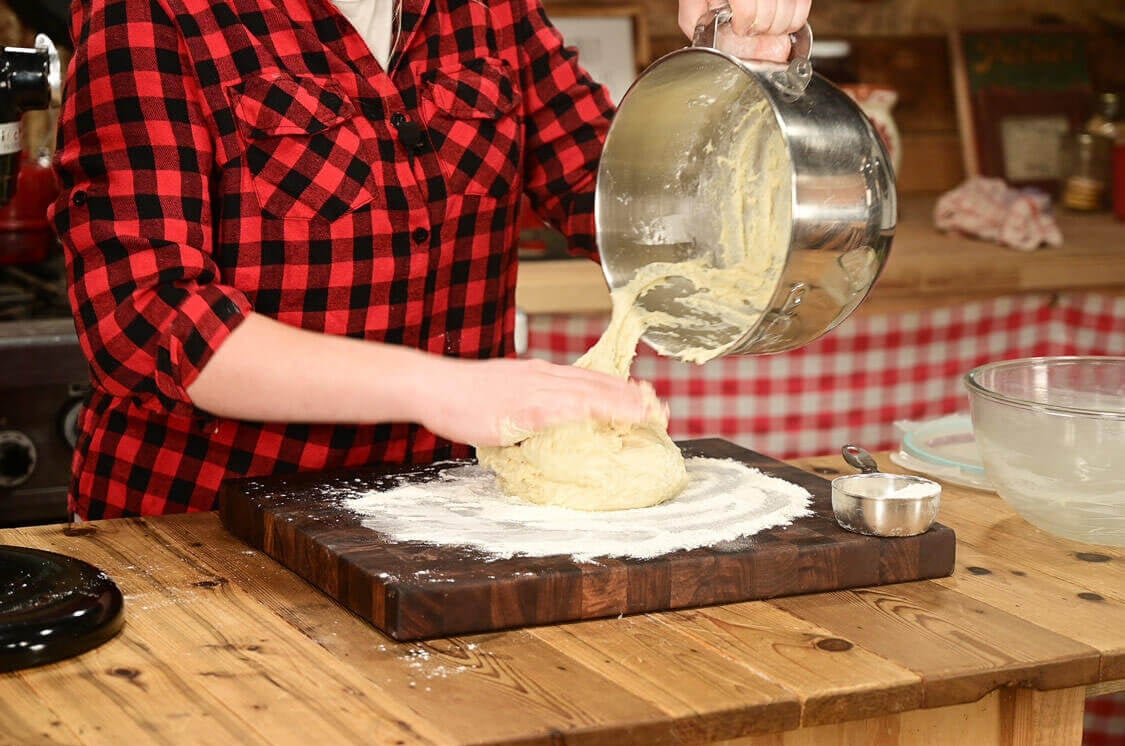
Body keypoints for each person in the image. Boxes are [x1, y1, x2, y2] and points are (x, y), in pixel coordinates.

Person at [50, 0, 812, 519]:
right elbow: (146, 318)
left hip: (448, 515)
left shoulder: (483, 9)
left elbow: (621, 198)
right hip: (205, 531)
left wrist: (730, 71)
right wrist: (439, 387)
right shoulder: (154, 11)